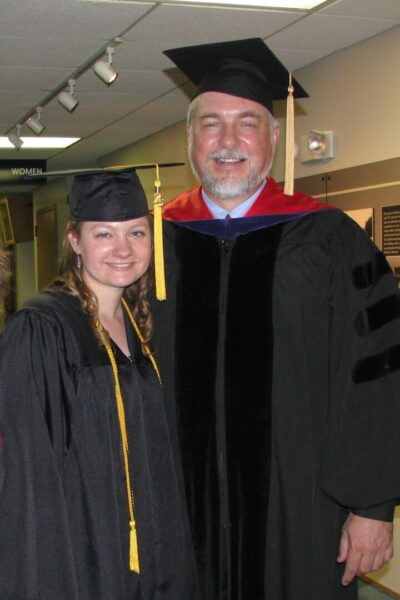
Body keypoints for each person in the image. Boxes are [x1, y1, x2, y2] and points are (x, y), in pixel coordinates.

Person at [151, 38, 400, 600]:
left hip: (301, 505)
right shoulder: (155, 243)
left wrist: (372, 505)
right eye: (211, 124)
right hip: (180, 506)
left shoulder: (333, 240)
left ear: (276, 136)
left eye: (248, 123)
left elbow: (377, 373)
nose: (229, 141)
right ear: (189, 138)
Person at [0, 169, 199, 600]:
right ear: (75, 241)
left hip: (154, 549)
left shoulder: (142, 322)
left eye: (137, 233)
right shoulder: (42, 328)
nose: (123, 249)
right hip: (82, 552)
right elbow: (30, 478)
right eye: (104, 234)